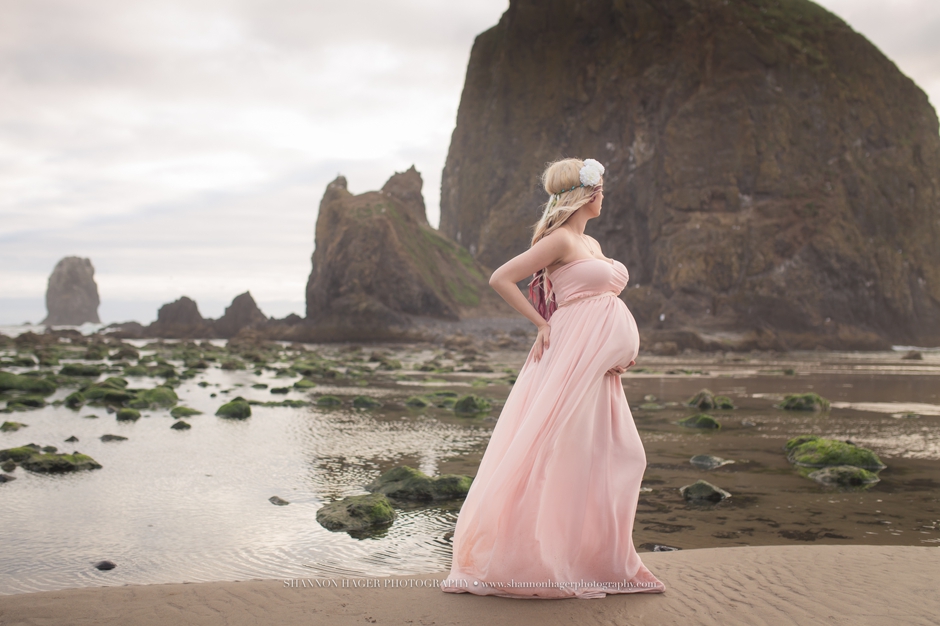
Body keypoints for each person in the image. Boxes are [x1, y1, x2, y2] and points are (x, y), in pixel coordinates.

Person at [439, 157, 666, 600]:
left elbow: (600, 304)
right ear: (585, 194)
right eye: (600, 189)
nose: (604, 195)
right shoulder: (560, 239)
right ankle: (534, 558)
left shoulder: (592, 242)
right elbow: (501, 278)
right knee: (552, 452)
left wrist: (616, 350)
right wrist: (542, 325)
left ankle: (600, 560)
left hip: (596, 369)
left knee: (613, 453)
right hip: (568, 359)